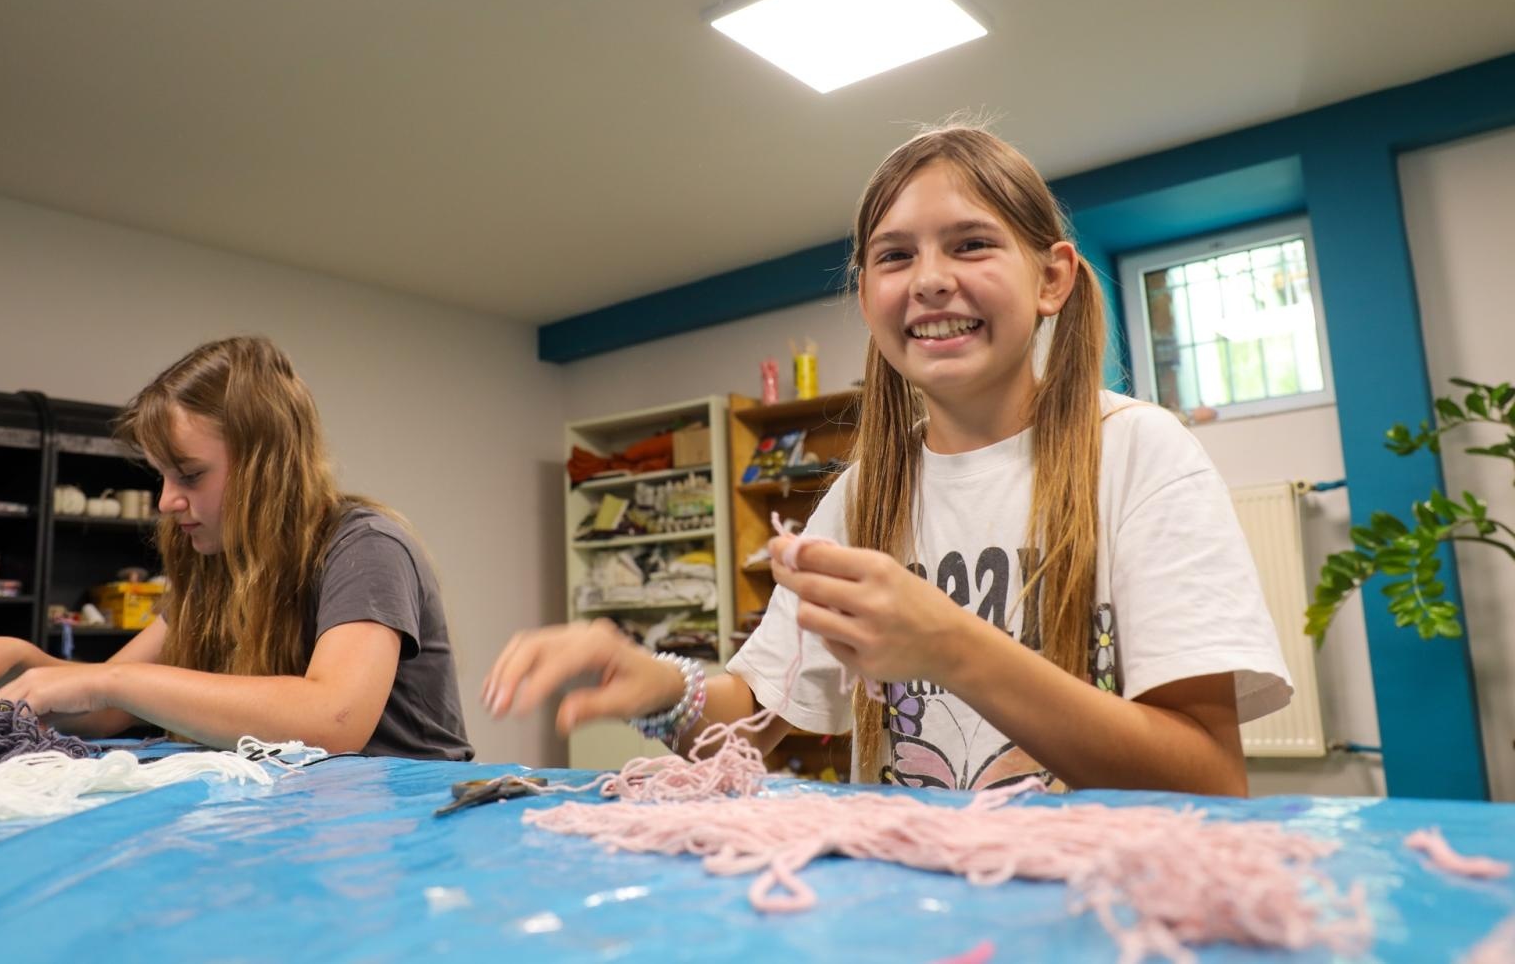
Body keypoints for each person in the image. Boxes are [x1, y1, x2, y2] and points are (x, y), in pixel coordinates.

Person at [483, 124, 1290, 795]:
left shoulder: (1140, 454)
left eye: (972, 244)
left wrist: (951, 646)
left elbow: (1209, 782)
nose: (931, 281)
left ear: (1052, 279)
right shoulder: (862, 498)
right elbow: (758, 722)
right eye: (896, 257)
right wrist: (659, 684)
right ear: (867, 293)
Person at [0, 337, 473, 760]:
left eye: (188, 475)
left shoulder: (364, 547)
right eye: (162, 478)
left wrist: (109, 680)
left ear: (268, 467)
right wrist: (15, 662)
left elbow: (335, 718)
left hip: (404, 828)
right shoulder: (215, 564)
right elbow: (109, 706)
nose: (166, 502)